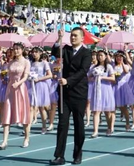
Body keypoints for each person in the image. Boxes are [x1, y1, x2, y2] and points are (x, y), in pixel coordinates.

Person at [50, 28, 92, 166]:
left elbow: (83, 71)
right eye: (71, 35)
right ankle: (59, 156)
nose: (72, 38)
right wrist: (59, 39)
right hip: (64, 93)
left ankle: (77, 154)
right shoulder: (66, 49)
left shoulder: (86, 53)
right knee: (62, 125)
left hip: (79, 93)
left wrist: (69, 80)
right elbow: (55, 53)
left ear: (82, 38)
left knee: (78, 125)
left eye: (75, 36)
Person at [0, 42, 31, 150]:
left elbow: (25, 76)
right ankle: (4, 141)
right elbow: (7, 74)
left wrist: (18, 83)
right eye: (14, 49)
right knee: (7, 113)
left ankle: (26, 137)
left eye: (18, 49)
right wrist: (3, 78)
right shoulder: (10, 62)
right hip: (10, 88)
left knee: (23, 112)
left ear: (22, 50)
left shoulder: (26, 62)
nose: (16, 51)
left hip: (20, 88)